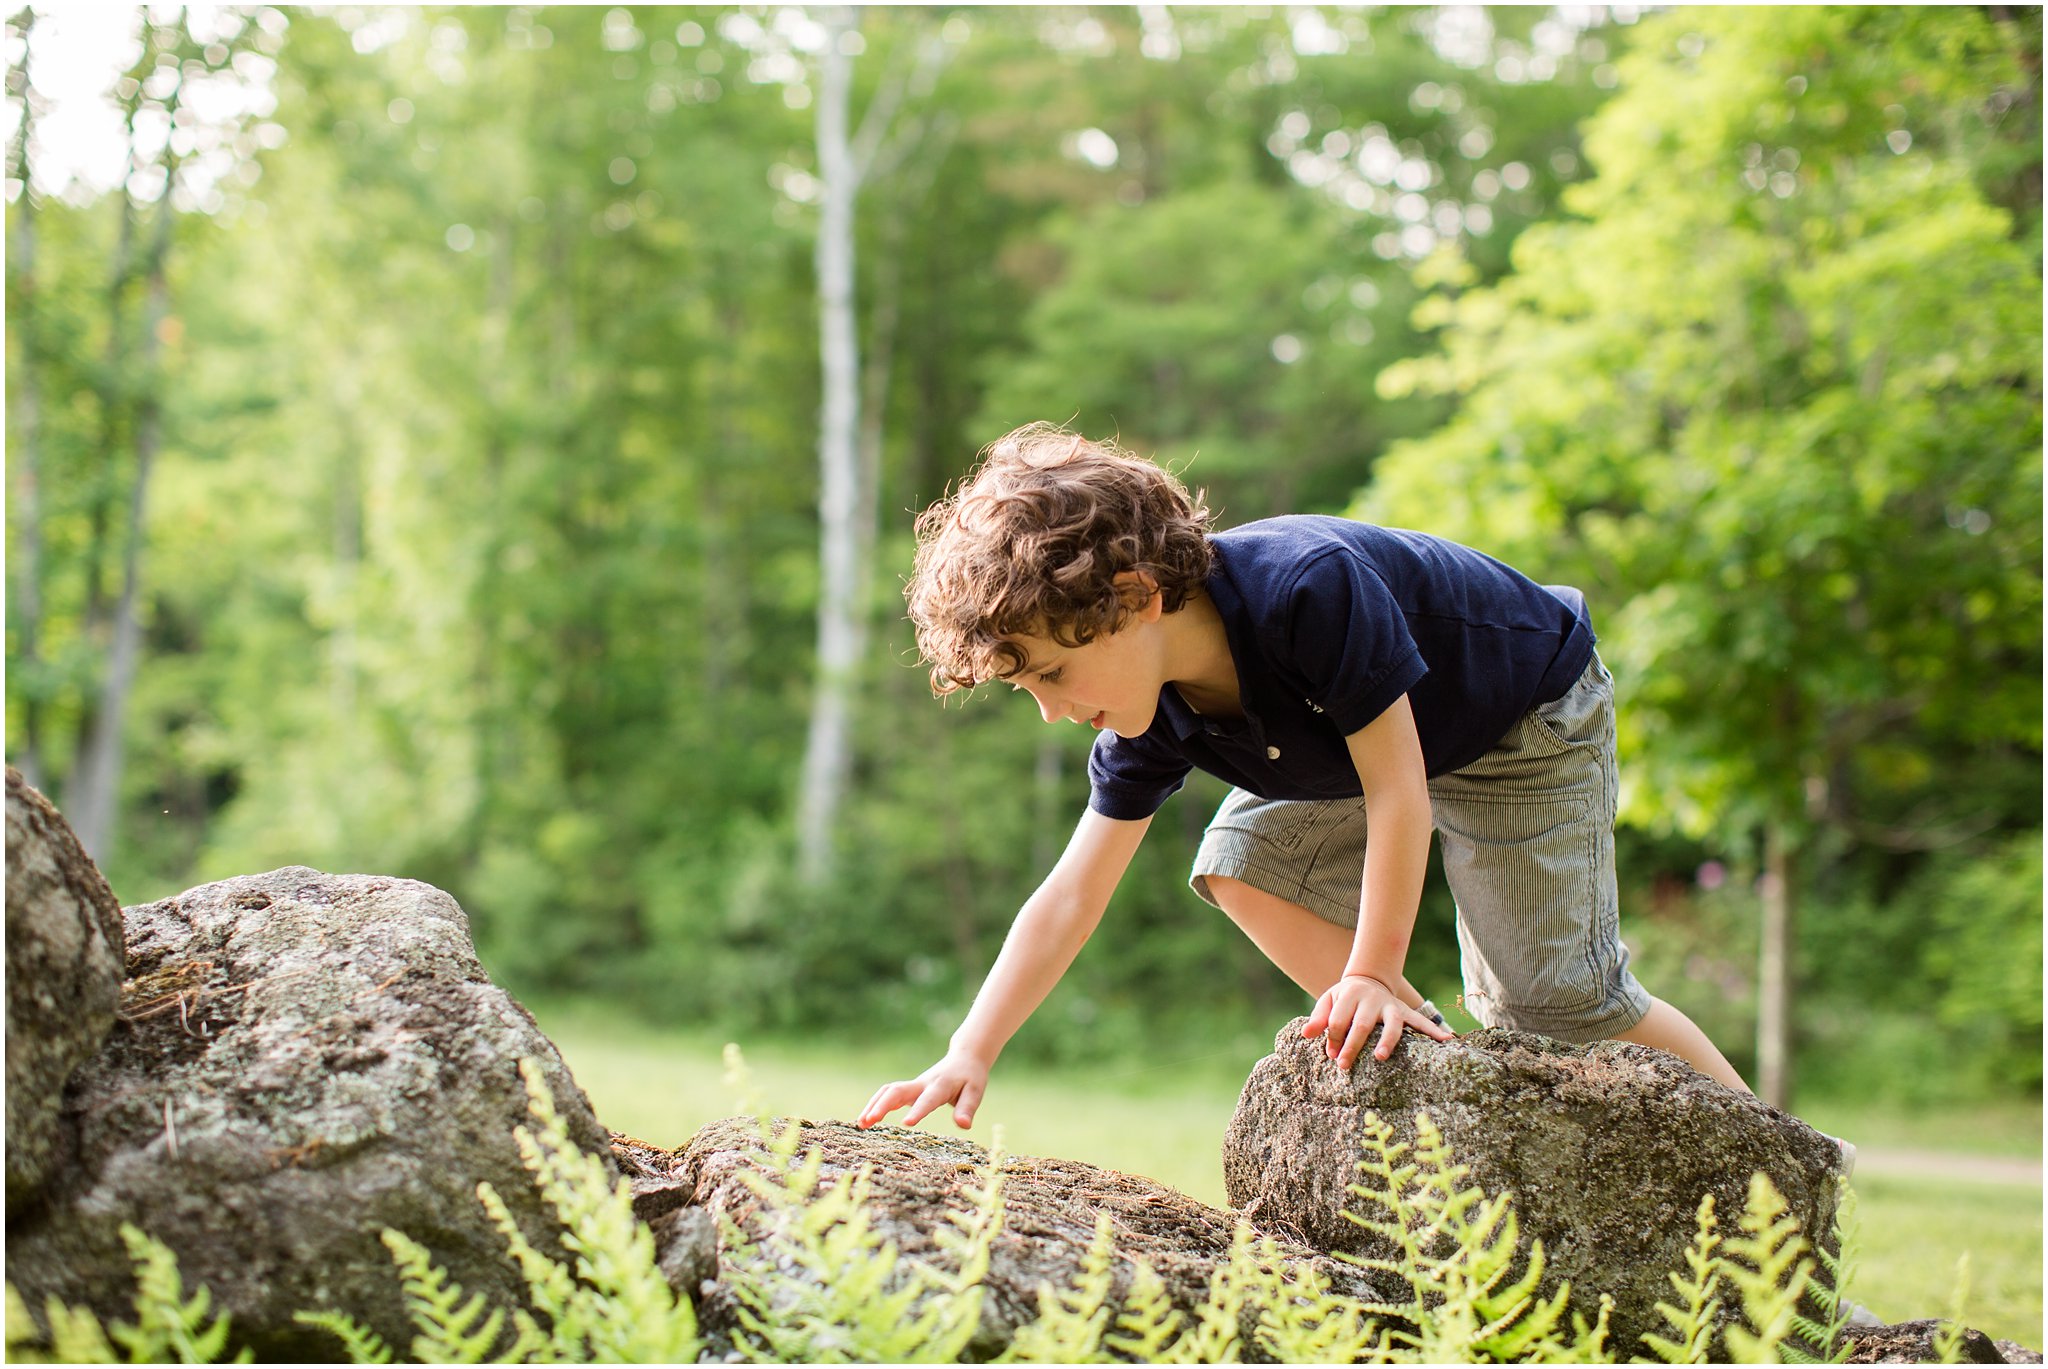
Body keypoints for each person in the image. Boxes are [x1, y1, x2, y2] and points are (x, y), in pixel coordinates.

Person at [856, 422, 1750, 1134]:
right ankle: (1424, 1054)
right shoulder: (1149, 709)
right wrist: (970, 1050)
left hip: (1521, 718)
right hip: (1371, 749)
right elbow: (1070, 894)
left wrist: (1368, 964)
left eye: (1051, 674)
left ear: (1135, 599)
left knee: (1551, 1000)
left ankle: (1789, 1159)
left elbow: (1400, 790)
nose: (1049, 709)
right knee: (1241, 860)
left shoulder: (1306, 591)